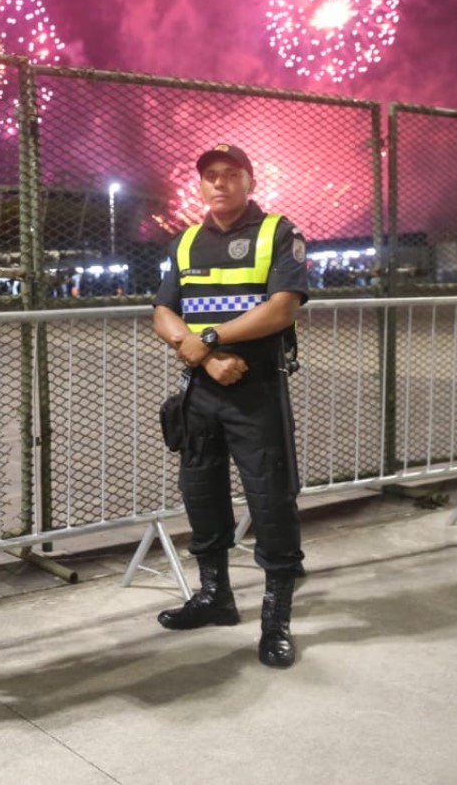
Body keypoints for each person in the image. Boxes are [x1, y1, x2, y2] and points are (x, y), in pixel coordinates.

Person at [151, 143, 309, 668]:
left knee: (270, 498)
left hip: (256, 391)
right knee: (202, 495)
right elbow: (163, 313)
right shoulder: (187, 241)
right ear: (200, 186)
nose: (218, 184)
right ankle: (215, 597)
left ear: (250, 182)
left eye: (230, 175)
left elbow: (282, 309)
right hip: (201, 391)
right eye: (210, 176)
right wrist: (201, 355)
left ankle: (275, 619)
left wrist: (211, 339)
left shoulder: (278, 233)